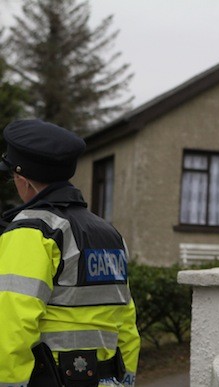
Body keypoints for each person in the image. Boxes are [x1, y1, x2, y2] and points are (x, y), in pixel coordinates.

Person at [0, 119, 140, 387]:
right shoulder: (109, 233)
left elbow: (11, 324)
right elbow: (126, 322)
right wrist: (127, 378)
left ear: (23, 179)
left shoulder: (33, 230)